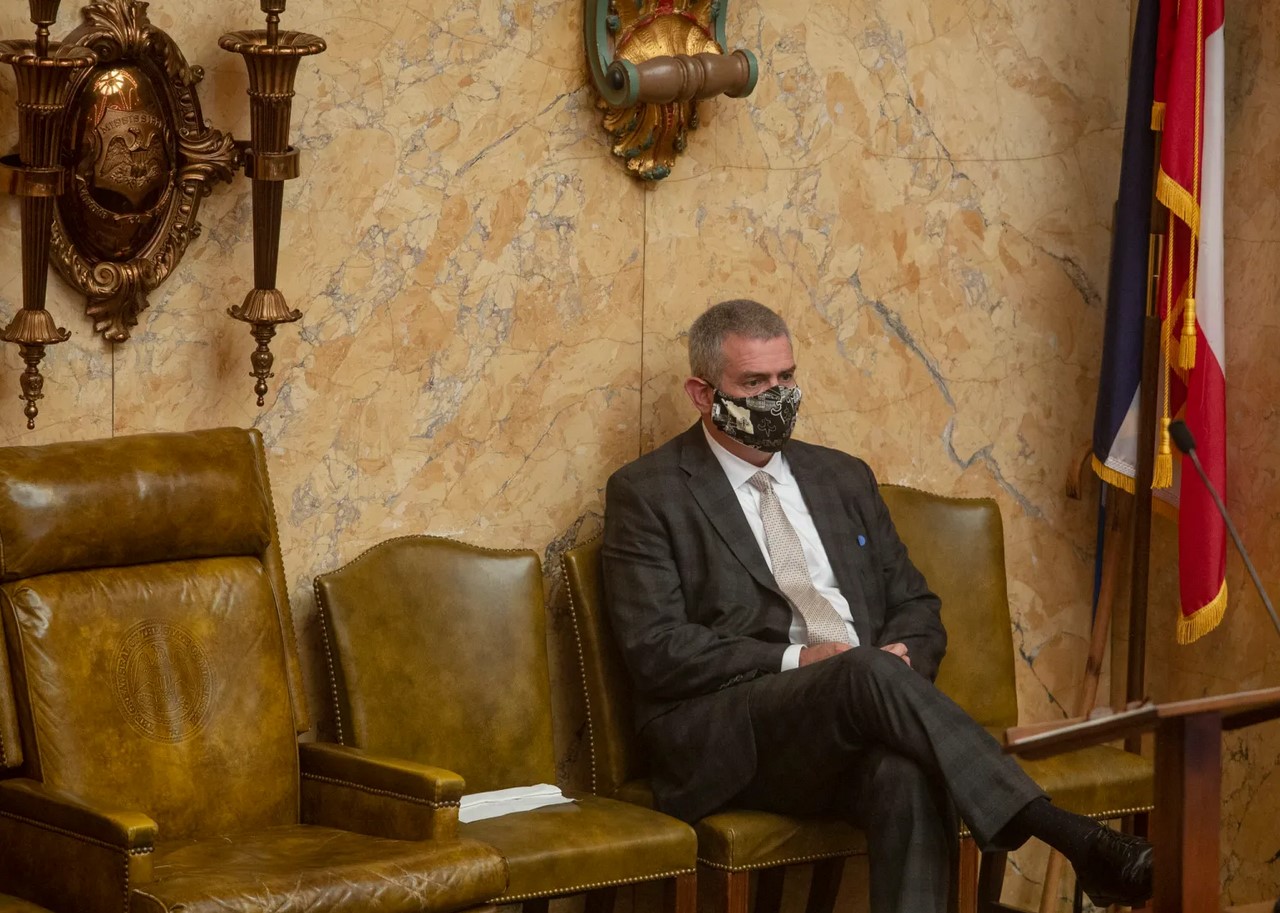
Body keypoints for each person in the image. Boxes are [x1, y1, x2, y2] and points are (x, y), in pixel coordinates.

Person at [601, 299, 1153, 913]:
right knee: (860, 669)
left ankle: (1058, 841)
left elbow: (915, 603)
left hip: (855, 718)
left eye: (786, 377)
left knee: (904, 772)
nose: (776, 396)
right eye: (754, 383)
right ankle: (1071, 835)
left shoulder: (841, 477)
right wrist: (802, 660)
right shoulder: (647, 492)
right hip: (730, 735)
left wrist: (903, 657)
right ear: (702, 395)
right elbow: (657, 650)